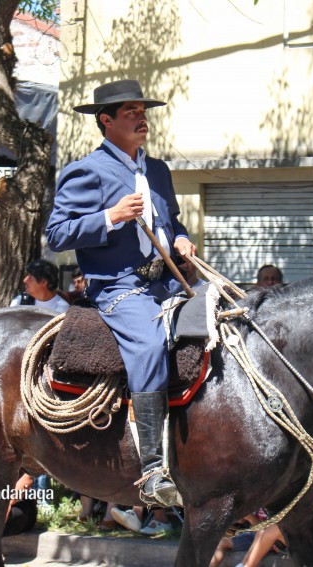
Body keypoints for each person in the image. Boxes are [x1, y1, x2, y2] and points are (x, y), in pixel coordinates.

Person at [46, 79, 196, 507]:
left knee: (227, 321)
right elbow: (57, 235)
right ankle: (151, 470)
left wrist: (182, 239)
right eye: (130, 111)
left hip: (169, 279)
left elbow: (173, 223)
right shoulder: (86, 171)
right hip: (119, 286)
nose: (141, 117)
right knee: (149, 344)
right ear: (105, 121)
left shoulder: (159, 170)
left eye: (142, 110)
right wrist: (108, 217)